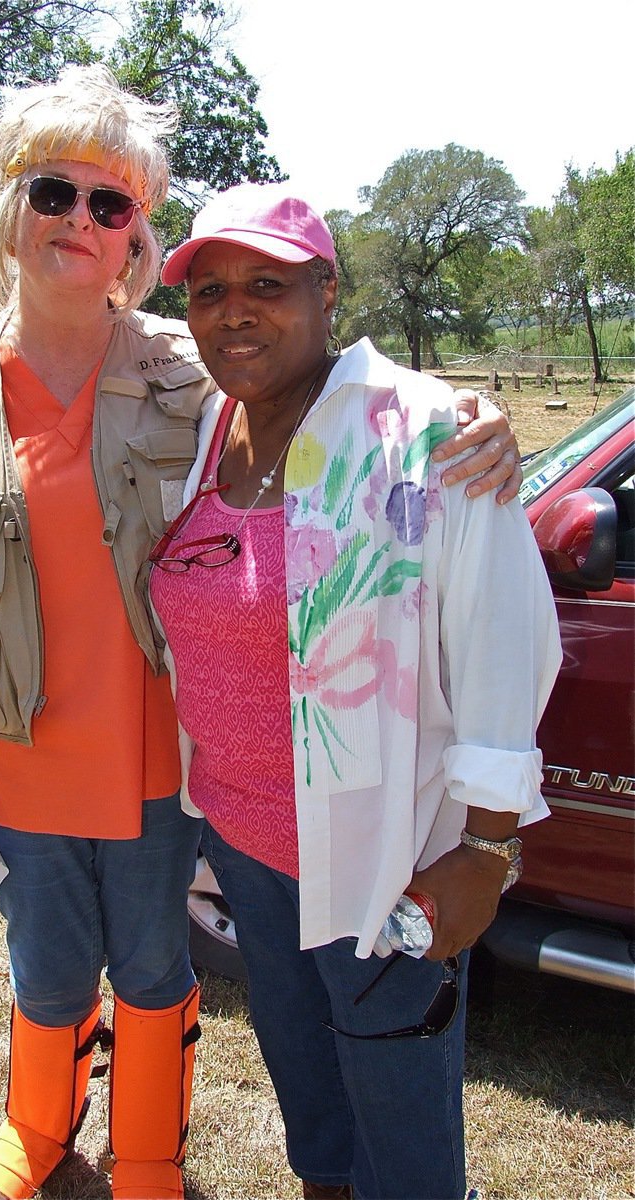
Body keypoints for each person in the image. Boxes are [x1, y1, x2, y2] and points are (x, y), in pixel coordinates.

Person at [0, 66, 522, 1200]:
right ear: (9, 208)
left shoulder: (190, 370)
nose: (79, 223)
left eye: (114, 207)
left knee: (155, 964)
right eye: (55, 191)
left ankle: (148, 1147)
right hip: (17, 754)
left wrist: (463, 416)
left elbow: (334, 393)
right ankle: (34, 1130)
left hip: (169, 765)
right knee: (47, 963)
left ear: (138, 242)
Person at [149, 182, 562, 1200]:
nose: (233, 310)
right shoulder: (204, 431)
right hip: (242, 849)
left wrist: (485, 845)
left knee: (400, 1112)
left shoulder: (421, 434)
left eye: (266, 284)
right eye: (207, 292)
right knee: (311, 1100)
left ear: (326, 290)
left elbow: (507, 643)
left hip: (381, 861)